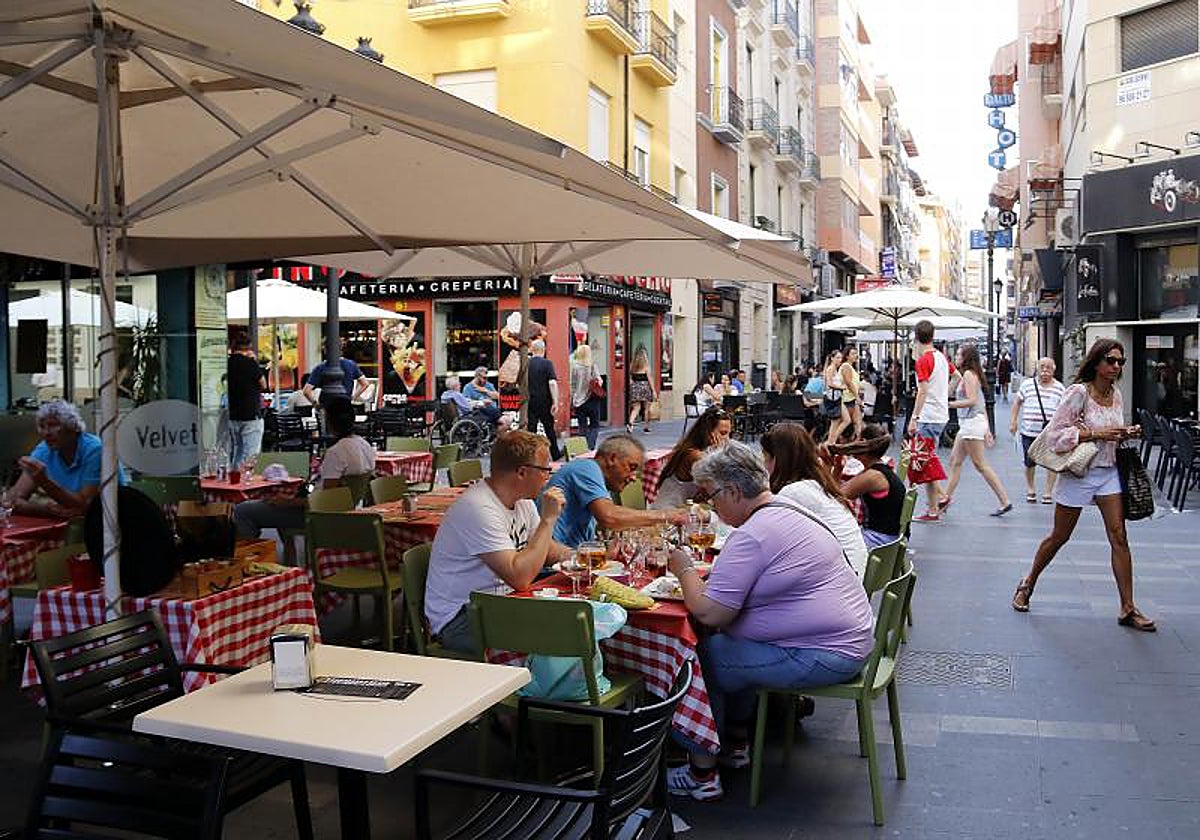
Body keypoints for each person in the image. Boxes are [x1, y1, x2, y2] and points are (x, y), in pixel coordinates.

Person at [664, 441, 874, 801]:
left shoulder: (753, 534)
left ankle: (703, 772)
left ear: (732, 490)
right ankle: (735, 743)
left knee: (695, 660)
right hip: (846, 642)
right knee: (729, 649)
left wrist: (683, 569)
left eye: (711, 495)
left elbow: (710, 612)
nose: (711, 504)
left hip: (822, 654)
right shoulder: (786, 510)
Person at [1012, 339, 1154, 631]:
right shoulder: (1079, 392)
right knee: (1059, 536)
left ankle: (1128, 607)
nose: (1116, 366)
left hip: (1108, 473)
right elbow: (1054, 437)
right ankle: (1027, 583)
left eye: (1120, 361)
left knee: (1119, 536)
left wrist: (1125, 432)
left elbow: (1109, 432)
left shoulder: (1115, 395)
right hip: (1079, 473)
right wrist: (1095, 433)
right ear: (1097, 362)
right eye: (1111, 360)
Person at [425, 431, 572, 653]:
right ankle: (540, 686)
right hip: (460, 618)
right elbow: (520, 578)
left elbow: (546, 549)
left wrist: (585, 557)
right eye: (545, 471)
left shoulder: (522, 501)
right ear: (522, 472)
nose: (548, 478)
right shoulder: (479, 508)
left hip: (501, 602)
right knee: (557, 634)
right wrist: (548, 520)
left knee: (575, 608)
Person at [234, 398, 374, 539]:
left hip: (317, 515)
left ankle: (250, 555)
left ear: (330, 422)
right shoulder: (365, 446)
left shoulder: (336, 453)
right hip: (343, 511)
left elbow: (326, 500)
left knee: (243, 510)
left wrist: (287, 502)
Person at [761, 423, 868, 577]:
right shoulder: (818, 483)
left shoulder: (792, 492)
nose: (765, 466)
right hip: (853, 574)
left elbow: (770, 543)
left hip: (838, 585)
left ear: (777, 459)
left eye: (766, 458)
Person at [543, 434, 688, 547]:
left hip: (573, 560)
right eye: (631, 467)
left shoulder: (603, 482)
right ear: (612, 458)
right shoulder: (587, 467)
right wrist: (665, 516)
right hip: (553, 569)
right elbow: (609, 517)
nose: (632, 478)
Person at [11, 400, 125, 519]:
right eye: (42, 426)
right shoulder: (45, 449)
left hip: (111, 520)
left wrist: (44, 481)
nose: (46, 433)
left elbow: (86, 506)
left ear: (73, 427)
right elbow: (12, 501)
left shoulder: (95, 450)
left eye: (53, 425)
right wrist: (47, 511)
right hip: (72, 522)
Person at [940, 344, 1013, 517]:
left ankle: (1004, 500)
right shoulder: (968, 375)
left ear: (966, 357)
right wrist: (987, 429)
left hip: (971, 424)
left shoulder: (969, 375)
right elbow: (980, 401)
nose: (956, 357)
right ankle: (945, 499)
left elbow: (973, 400)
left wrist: (949, 404)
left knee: (981, 465)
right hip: (969, 423)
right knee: (954, 462)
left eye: (959, 354)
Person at [906, 320, 960, 521]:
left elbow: (922, 391)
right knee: (926, 459)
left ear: (916, 336)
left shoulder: (923, 361)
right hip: (940, 414)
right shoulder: (941, 357)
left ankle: (942, 498)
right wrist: (945, 395)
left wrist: (914, 417)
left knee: (924, 459)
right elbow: (957, 377)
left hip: (928, 416)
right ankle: (933, 509)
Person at [837, 424, 907, 548]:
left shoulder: (873, 476)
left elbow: (836, 496)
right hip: (889, 537)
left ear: (862, 443)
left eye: (856, 438)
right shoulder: (880, 469)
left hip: (879, 539)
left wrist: (834, 467)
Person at [651, 407, 733, 510]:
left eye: (729, 434)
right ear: (708, 433)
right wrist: (720, 453)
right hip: (667, 514)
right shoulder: (694, 455)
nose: (728, 440)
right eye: (723, 433)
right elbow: (720, 486)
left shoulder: (700, 451)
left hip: (683, 511)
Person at [1011, 357, 1066, 504]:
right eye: (1042, 367)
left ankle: (1048, 492)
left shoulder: (1060, 388)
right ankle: (1031, 489)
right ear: (1037, 368)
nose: (1045, 371)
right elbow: (1017, 403)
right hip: (1028, 431)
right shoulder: (1027, 385)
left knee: (1051, 462)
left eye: (1048, 368)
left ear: (1054, 369)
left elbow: (1065, 410)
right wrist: (1013, 421)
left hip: (1051, 432)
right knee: (1029, 462)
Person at [226, 337, 266, 467]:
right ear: (248, 348)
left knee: (237, 451)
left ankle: (234, 479)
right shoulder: (250, 363)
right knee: (250, 454)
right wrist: (253, 360)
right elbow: (263, 384)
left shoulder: (228, 363)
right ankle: (246, 481)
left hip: (233, 414)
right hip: (251, 414)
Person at [525, 339, 562, 461]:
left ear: (532, 349)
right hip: (544, 400)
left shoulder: (526, 363)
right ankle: (555, 453)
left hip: (529, 400)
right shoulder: (547, 364)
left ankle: (531, 455)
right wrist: (555, 401)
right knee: (549, 428)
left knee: (531, 429)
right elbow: (552, 383)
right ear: (543, 349)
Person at [303, 345, 369, 407]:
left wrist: (316, 405)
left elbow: (306, 391)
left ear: (326, 350)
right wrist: (352, 397)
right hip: (345, 404)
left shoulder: (320, 367)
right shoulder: (351, 364)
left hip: (327, 405)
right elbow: (365, 384)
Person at [569, 344, 603, 450]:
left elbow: (572, 385)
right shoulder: (592, 365)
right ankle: (591, 447)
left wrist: (572, 399)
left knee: (582, 426)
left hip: (579, 401)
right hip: (592, 399)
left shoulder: (575, 367)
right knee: (594, 425)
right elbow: (600, 381)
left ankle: (582, 449)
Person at [627, 345, 656, 434]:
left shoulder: (632, 366)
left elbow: (630, 378)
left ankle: (630, 423)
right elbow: (650, 379)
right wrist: (654, 390)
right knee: (646, 409)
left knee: (636, 408)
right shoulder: (646, 367)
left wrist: (633, 385)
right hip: (645, 388)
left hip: (635, 388)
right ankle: (646, 427)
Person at [822, 350, 850, 445]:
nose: (840, 360)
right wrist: (841, 387)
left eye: (840, 358)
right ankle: (830, 442)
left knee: (846, 420)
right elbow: (829, 383)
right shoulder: (830, 369)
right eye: (837, 358)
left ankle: (832, 440)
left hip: (837, 397)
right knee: (836, 421)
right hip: (833, 397)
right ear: (832, 358)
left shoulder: (834, 368)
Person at [840, 346, 863, 438]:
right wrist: (857, 396)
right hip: (847, 398)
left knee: (857, 422)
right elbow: (849, 383)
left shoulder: (850, 367)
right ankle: (834, 439)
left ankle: (858, 440)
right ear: (847, 356)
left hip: (851, 397)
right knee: (845, 421)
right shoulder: (846, 366)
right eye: (853, 354)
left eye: (856, 353)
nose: (855, 356)